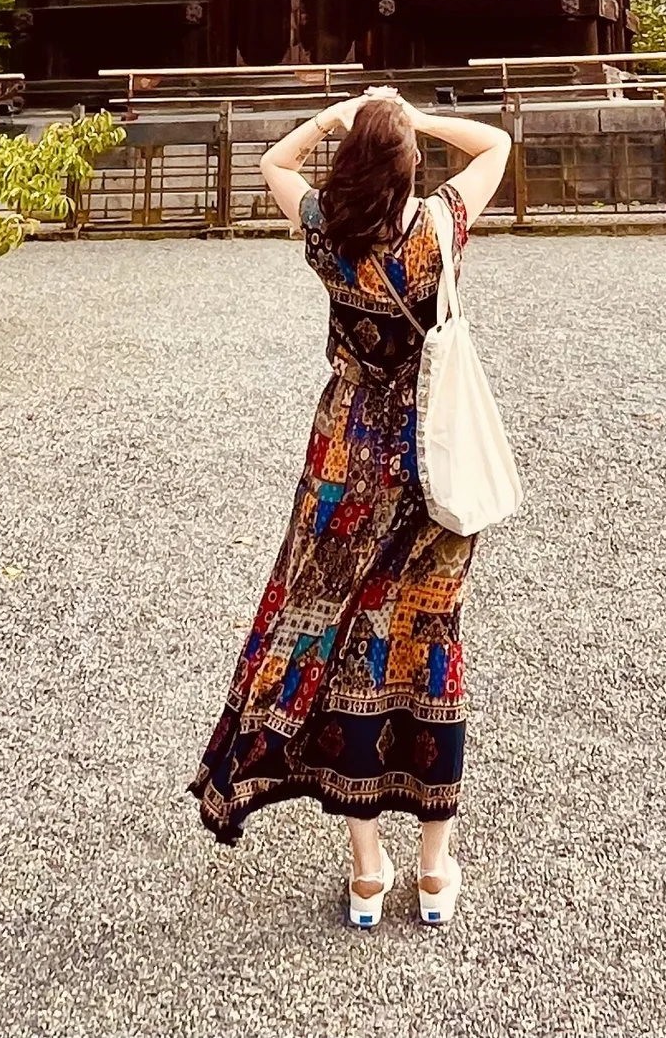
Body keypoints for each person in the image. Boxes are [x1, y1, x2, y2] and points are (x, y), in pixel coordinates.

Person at [189, 82, 513, 929]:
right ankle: (435, 870)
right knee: (430, 641)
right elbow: (495, 146)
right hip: (431, 464)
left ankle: (368, 873)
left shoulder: (325, 234)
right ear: (408, 167)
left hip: (344, 457)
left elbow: (271, 161)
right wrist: (412, 115)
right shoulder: (438, 229)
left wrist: (341, 119)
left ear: (351, 166)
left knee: (347, 641)